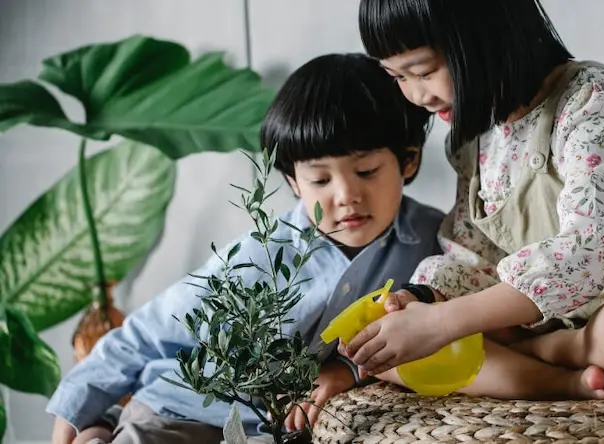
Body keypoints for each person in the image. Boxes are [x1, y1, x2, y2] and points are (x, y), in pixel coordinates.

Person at [341, 0, 604, 401]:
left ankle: (555, 352)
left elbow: (583, 256)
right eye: (398, 77)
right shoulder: (476, 138)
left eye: (424, 70)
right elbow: (475, 253)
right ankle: (566, 380)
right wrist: (423, 300)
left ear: (485, 37)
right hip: (552, 316)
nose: (417, 95)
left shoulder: (597, 107)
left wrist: (444, 323)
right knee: (391, 348)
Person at [47, 52, 445, 444]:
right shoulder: (260, 254)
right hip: (181, 409)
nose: (346, 196)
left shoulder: (433, 239)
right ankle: (101, 426)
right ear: (294, 183)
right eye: (320, 180)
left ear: (408, 161)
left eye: (366, 172)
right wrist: (74, 404)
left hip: (269, 430)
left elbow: (430, 331)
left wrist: (345, 372)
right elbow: (152, 329)